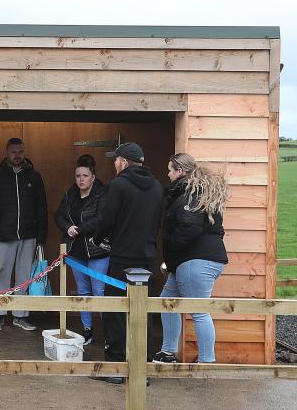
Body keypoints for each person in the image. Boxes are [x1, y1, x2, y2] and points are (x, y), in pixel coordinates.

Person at [77, 142, 162, 381]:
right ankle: (142, 368)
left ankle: (116, 367)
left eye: (116, 159)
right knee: (142, 312)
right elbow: (157, 223)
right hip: (146, 258)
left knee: (116, 312)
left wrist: (98, 237)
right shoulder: (156, 186)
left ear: (124, 162)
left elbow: (107, 219)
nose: (114, 163)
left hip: (122, 257)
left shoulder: (119, 185)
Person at [154, 153, 229, 364]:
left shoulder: (190, 196)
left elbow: (189, 229)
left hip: (193, 261)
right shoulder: (201, 194)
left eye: (170, 170)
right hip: (198, 260)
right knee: (166, 302)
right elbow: (218, 230)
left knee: (199, 311)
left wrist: (170, 258)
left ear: (180, 171)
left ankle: (207, 362)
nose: (168, 174)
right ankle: (168, 352)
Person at [0, 137, 48, 331]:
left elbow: (41, 206)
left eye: (20, 152)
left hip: (28, 235)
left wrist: (41, 234)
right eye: (13, 152)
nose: (17, 156)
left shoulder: (34, 176)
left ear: (24, 153)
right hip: (4, 235)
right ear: (6, 153)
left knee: (24, 277)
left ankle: (21, 316)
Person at [54, 154, 110, 346]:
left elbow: (102, 219)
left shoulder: (102, 192)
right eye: (78, 176)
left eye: (85, 176)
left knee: (99, 291)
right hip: (75, 250)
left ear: (92, 177)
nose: (81, 179)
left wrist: (79, 229)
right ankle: (87, 330)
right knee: (82, 291)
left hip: (97, 250)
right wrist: (67, 227)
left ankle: (109, 334)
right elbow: (59, 215)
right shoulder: (71, 193)